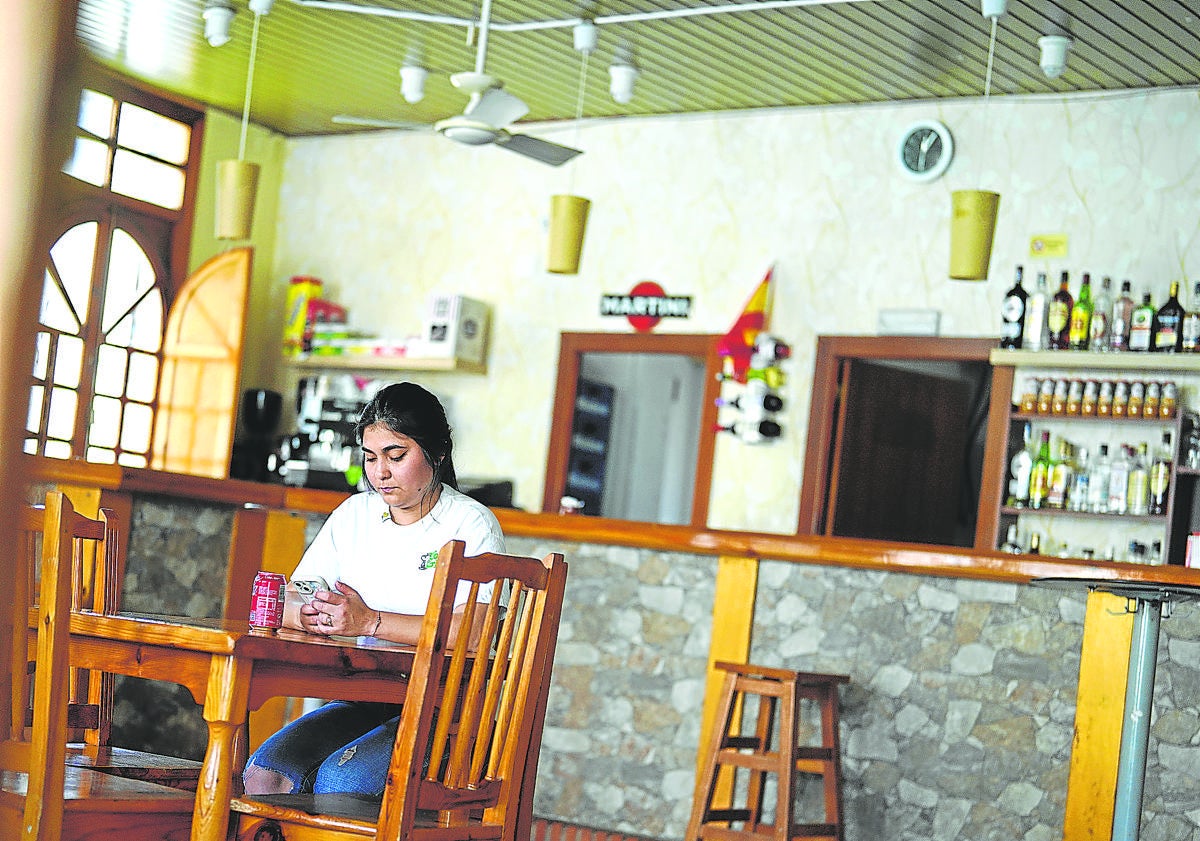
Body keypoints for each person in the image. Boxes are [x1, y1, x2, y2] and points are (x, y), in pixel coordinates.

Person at [242, 381, 504, 796]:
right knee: (266, 774)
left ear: (437, 452)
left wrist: (369, 621)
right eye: (370, 457)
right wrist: (308, 614)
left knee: (339, 782)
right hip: (360, 696)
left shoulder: (470, 523)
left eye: (396, 456)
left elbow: (476, 629)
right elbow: (293, 595)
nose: (380, 472)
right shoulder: (355, 514)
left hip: (439, 711)